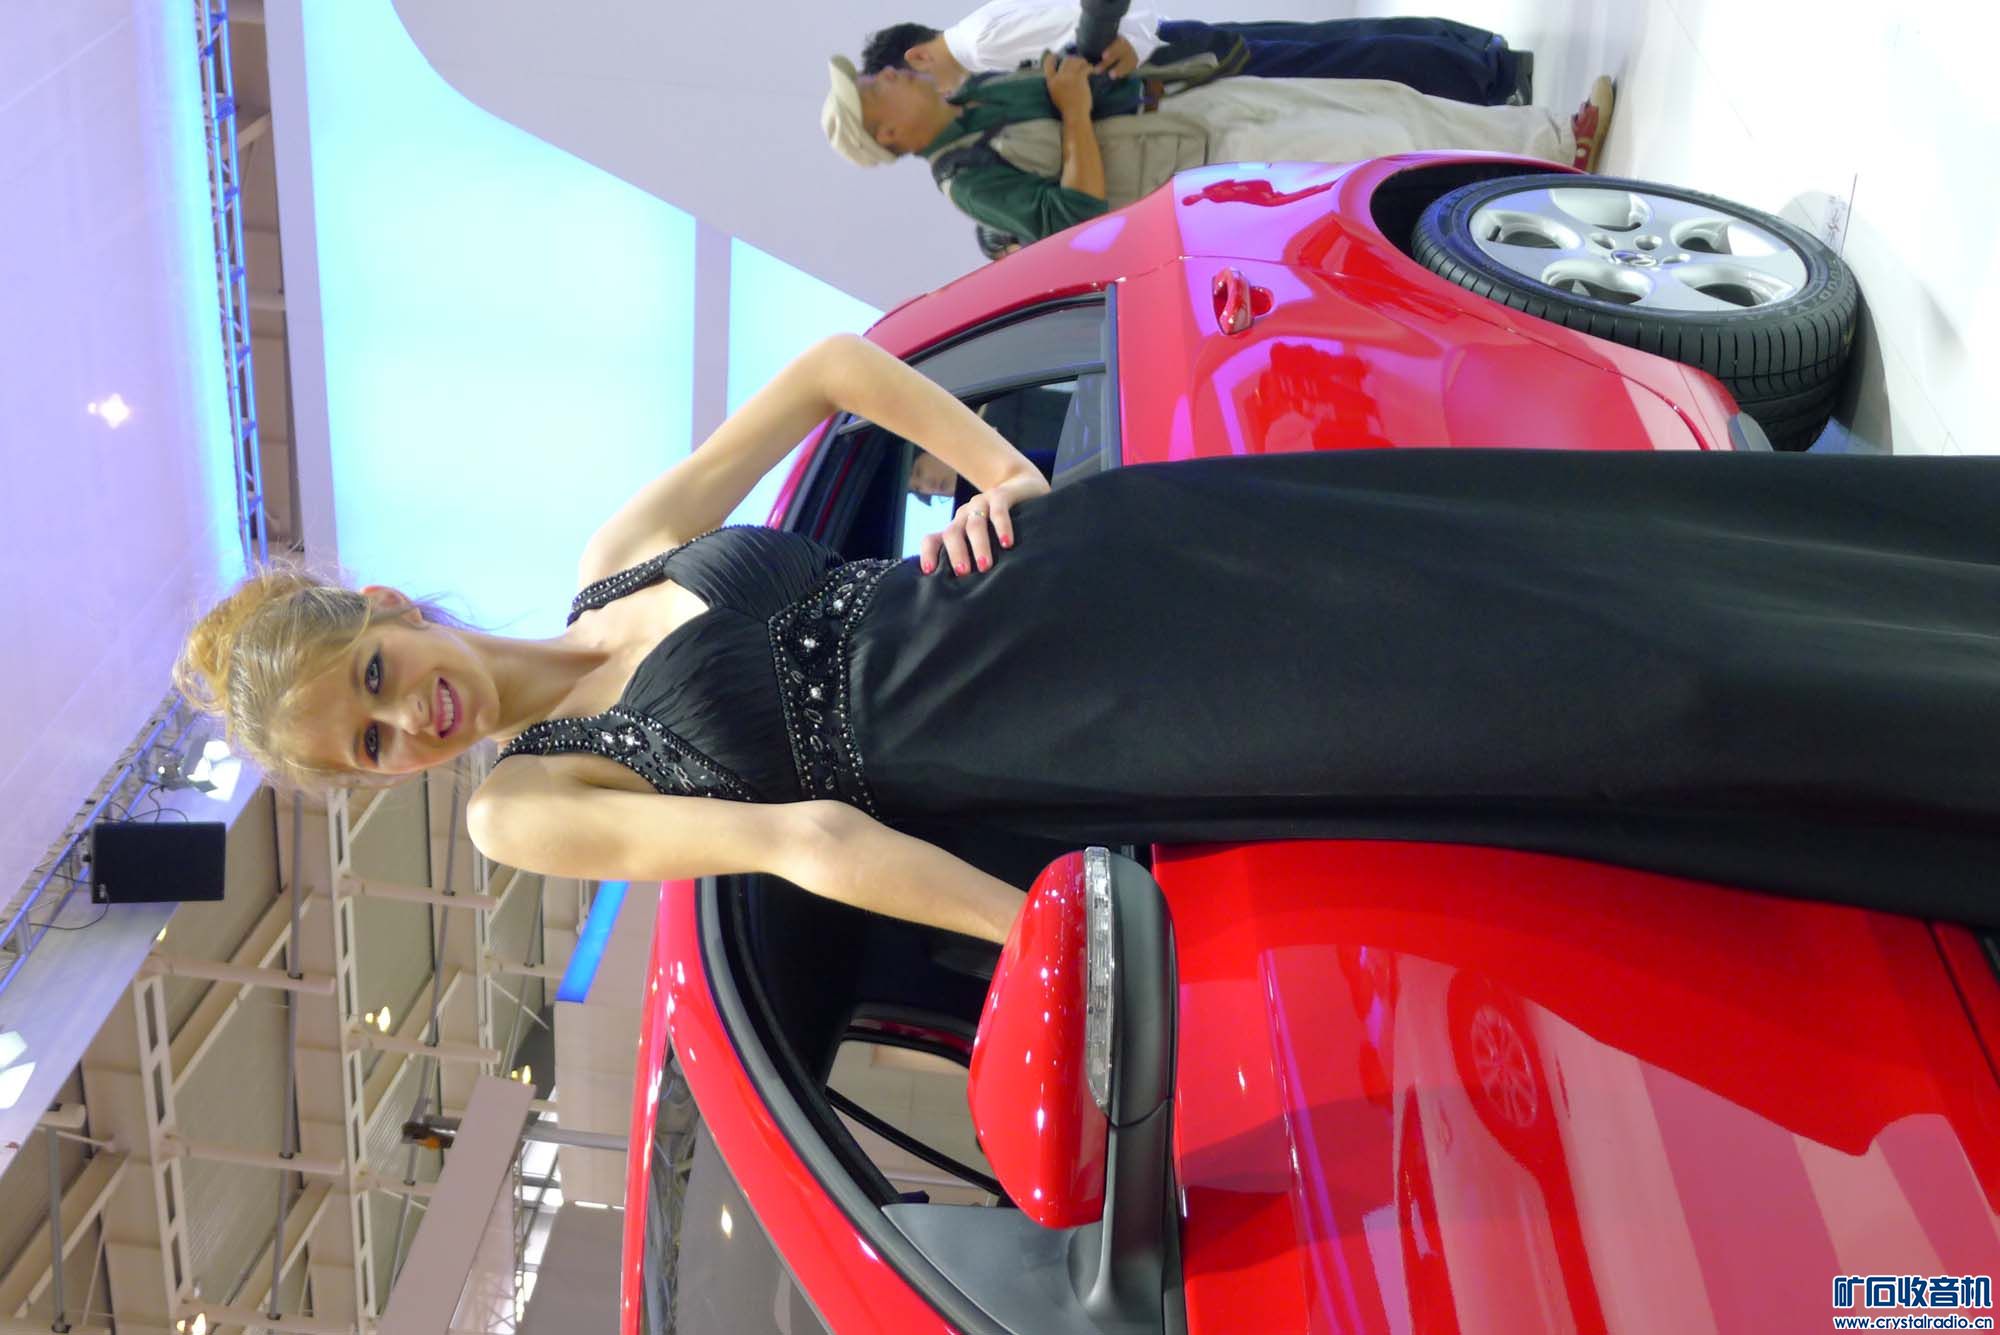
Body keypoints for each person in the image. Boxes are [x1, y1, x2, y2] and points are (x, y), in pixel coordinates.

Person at [176, 335, 2000, 947]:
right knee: (1583, 702)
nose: (408, 728)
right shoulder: (525, 808)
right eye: (367, 752)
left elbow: (830, 371)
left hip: (1082, 566)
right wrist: (1061, 938)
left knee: (1512, 566)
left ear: (389, 610)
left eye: (372, 686)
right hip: (1084, 723)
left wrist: (995, 471)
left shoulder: (610, 558)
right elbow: (804, 839)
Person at [821, 51, 1612, 247]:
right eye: (876, 87)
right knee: (1378, 144)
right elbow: (1074, 217)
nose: (889, 72)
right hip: (1204, 165)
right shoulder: (965, 181)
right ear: (887, 134)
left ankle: (1545, 140)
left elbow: (1085, 90)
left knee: (1380, 102)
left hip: (1194, 106)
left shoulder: (977, 97)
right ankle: (1544, 161)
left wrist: (1104, 69)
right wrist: (1072, 111)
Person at [862, 8, 1533, 107]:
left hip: (1174, 57)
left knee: (1337, 62)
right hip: (1173, 51)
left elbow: (1085, 25)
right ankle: (1481, 59)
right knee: (1332, 49)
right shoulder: (979, 41)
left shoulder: (980, 44)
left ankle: (1490, 73)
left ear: (916, 54)